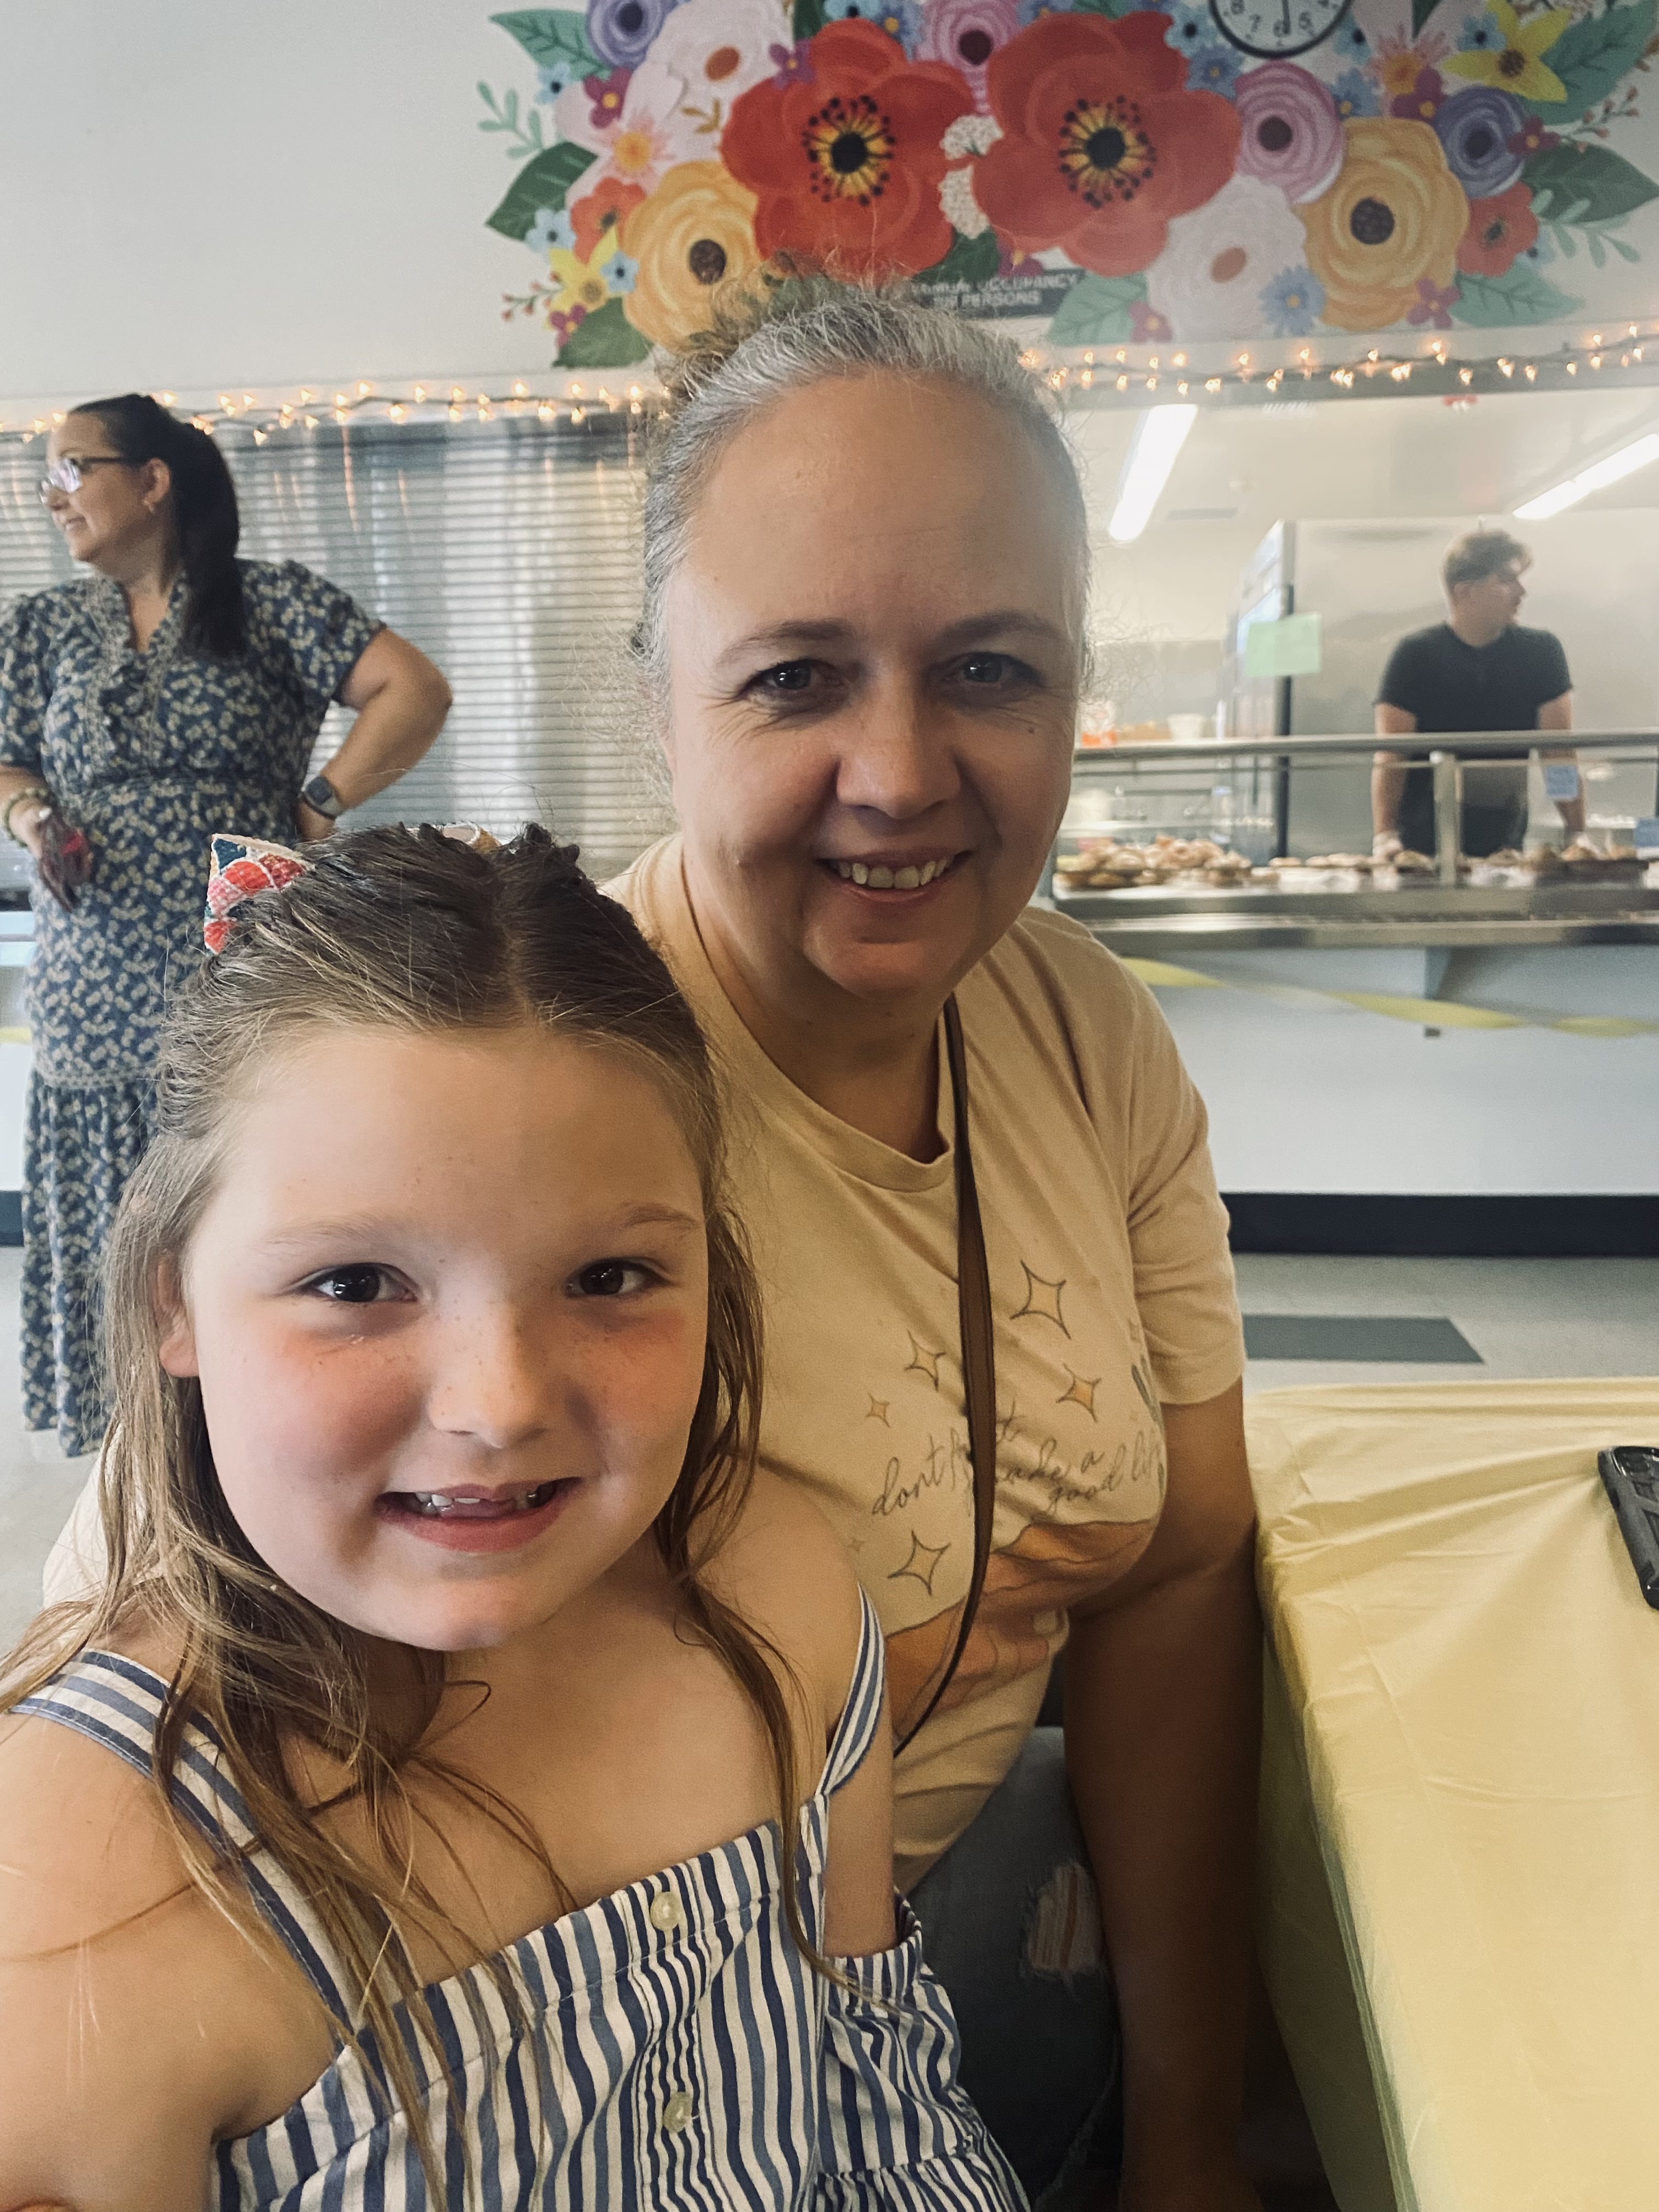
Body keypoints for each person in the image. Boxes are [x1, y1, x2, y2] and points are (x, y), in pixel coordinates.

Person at [0, 823, 1022, 2209]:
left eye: (609, 1276)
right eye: (357, 1283)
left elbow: (885, 2097)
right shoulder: (70, 1909)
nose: (497, 1403)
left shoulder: (774, 1588)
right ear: (174, 1299)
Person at [612, 284, 1261, 2209]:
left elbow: (1177, 1573)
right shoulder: (524, 1082)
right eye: (796, 677)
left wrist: (1187, 2141)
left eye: (988, 671)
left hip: (948, 1975)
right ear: (658, 699)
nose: (898, 776)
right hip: (626, 2058)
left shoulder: (1081, 1028)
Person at [0, 393, 452, 1459]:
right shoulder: (48, 626)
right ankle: (130, 1455)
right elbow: (3, 751)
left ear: (152, 481)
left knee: (244, 1199)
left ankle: (255, 1445)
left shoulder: (268, 604)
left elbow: (412, 690)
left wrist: (319, 807)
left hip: (234, 974)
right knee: (114, 1229)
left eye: (74, 470)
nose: (51, 493)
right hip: (89, 988)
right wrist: (28, 815)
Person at [1372, 527, 1584, 861]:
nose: (1521, 592)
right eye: (1506, 580)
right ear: (1465, 592)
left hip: (1507, 841)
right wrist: (1385, 837)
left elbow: (1557, 753)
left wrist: (1577, 834)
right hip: (1422, 848)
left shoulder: (1542, 652)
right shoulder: (1415, 654)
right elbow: (1391, 757)